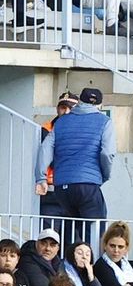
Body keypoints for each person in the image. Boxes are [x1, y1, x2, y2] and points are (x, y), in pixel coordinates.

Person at [35, 87, 116, 242]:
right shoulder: (104, 121)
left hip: (61, 188)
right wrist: (104, 175)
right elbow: (107, 153)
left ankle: (69, 263)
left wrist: (41, 178)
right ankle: (92, 264)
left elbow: (45, 149)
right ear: (99, 106)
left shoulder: (61, 122)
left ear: (80, 101)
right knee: (94, 233)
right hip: (88, 185)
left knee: (69, 235)